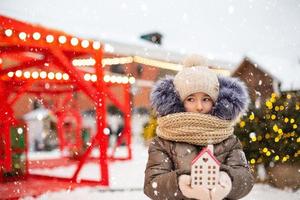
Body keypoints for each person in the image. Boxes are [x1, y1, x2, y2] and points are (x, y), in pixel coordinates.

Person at [144, 56, 254, 200]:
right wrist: (180, 184)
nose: (199, 106)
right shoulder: (163, 142)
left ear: (215, 101)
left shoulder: (229, 140)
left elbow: (245, 178)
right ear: (179, 101)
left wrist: (228, 181)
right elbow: (152, 184)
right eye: (190, 99)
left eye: (206, 99)